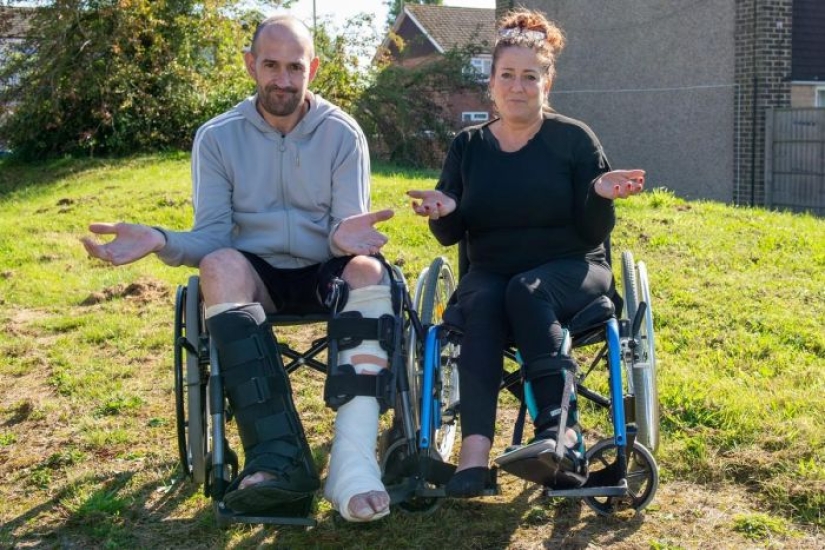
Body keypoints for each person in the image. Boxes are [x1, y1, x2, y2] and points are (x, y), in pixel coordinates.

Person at [82, 15, 394, 523]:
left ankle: (353, 466)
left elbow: (348, 227)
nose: (283, 80)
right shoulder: (217, 137)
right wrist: (161, 239)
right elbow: (212, 236)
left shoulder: (342, 133)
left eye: (295, 67)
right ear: (251, 65)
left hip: (326, 268)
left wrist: (341, 237)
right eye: (271, 65)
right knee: (219, 264)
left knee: (369, 271)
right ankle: (276, 459)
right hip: (257, 276)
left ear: (313, 68)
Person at [407, 8, 645, 497]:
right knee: (486, 301)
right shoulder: (468, 146)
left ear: (546, 82)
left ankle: (562, 436)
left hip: (574, 270)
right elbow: (451, 235)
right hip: (491, 273)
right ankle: (473, 459)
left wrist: (599, 195)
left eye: (530, 77)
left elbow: (594, 231)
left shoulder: (574, 139)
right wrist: (443, 211)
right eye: (508, 75)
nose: (518, 86)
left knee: (526, 289)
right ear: (491, 83)